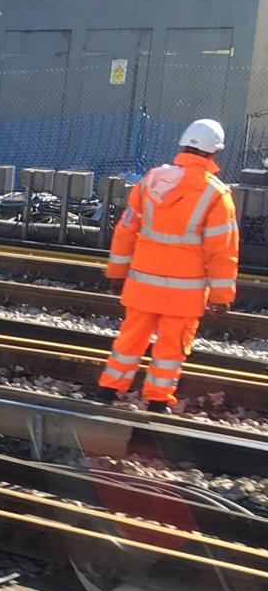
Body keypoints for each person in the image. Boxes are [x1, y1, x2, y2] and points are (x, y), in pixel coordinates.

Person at [98, 118, 241, 409]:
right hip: (183, 295)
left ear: (184, 146)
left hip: (142, 285)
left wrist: (117, 272)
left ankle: (109, 390)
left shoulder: (150, 181)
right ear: (214, 154)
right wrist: (221, 296)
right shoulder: (216, 194)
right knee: (170, 348)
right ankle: (158, 401)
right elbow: (222, 251)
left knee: (130, 339)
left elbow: (126, 230)